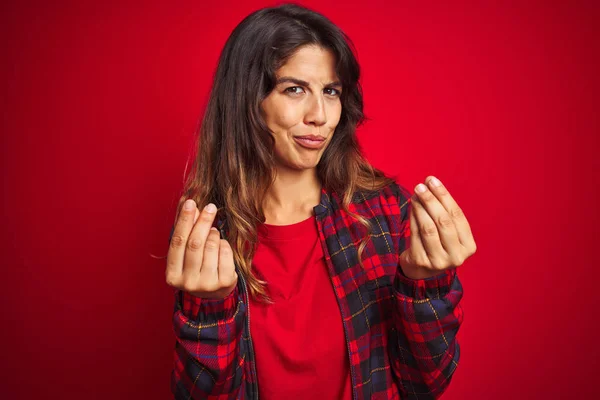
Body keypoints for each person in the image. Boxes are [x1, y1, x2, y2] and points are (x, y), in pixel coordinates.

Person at [165, 3, 476, 400]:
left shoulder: (383, 212)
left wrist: (426, 288)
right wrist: (207, 313)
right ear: (247, 99)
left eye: (330, 92)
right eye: (294, 89)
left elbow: (425, 383)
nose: (320, 115)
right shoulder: (208, 235)